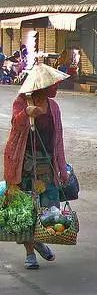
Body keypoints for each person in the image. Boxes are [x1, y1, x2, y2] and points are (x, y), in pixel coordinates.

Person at [3, 63, 70, 269]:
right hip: (23, 167)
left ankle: (39, 240)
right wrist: (27, 113)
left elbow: (58, 139)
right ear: (42, 86)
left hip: (46, 168)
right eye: (53, 84)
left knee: (50, 210)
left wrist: (61, 167)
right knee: (25, 212)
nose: (56, 87)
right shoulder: (22, 102)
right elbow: (16, 125)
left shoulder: (54, 108)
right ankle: (30, 252)